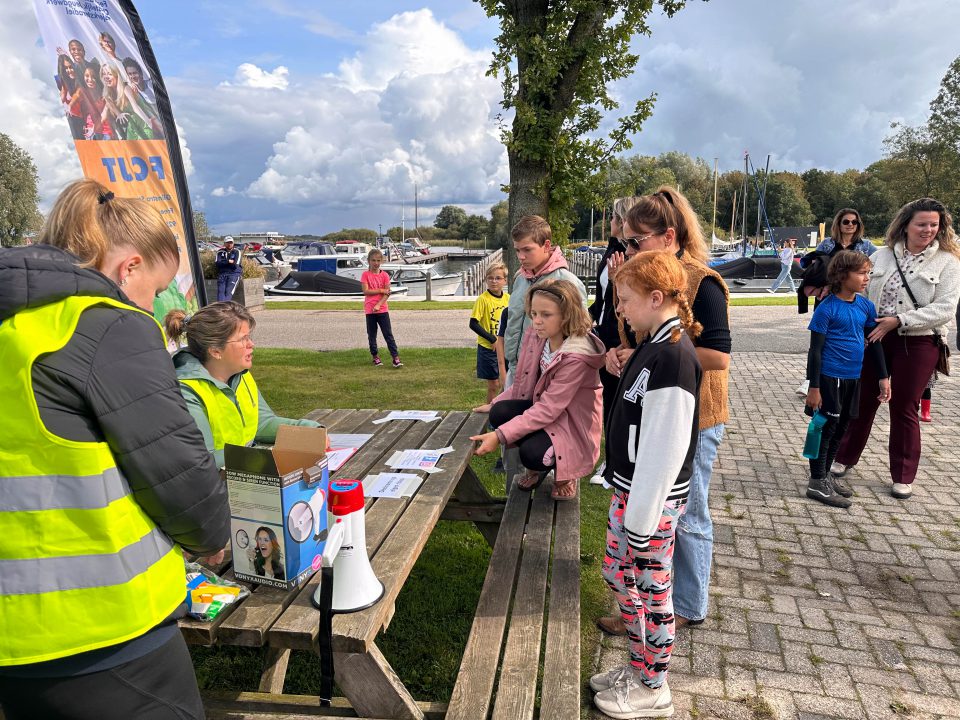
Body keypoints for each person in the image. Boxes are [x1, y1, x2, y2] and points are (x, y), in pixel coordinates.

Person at [0, 178, 229, 720]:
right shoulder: (105, 325)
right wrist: (213, 538)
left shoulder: (18, 326)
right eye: (155, 290)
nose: (154, 308)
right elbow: (174, 465)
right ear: (128, 268)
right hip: (100, 628)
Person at [603, 187, 731, 630]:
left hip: (696, 415)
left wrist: (662, 355)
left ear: (668, 236)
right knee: (656, 514)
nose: (628, 249)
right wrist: (625, 356)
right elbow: (640, 342)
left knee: (688, 514)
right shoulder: (644, 283)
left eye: (635, 242)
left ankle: (684, 606)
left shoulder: (702, 282)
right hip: (655, 410)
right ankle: (641, 606)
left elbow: (718, 355)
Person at [589, 251, 703, 720]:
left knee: (654, 592)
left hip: (649, 500)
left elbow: (664, 447)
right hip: (629, 491)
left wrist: (642, 516)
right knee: (618, 574)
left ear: (657, 298)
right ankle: (638, 666)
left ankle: (653, 685)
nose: (620, 310)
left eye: (626, 300)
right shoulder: (654, 345)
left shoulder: (672, 355)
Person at [832, 198, 960, 499]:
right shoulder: (882, 255)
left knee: (903, 406)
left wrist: (900, 319)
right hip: (876, 336)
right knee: (862, 400)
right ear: (905, 225)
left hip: (918, 341)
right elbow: (861, 288)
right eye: (921, 224)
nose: (928, 230)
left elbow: (945, 308)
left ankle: (903, 474)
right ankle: (844, 456)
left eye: (934, 225)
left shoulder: (947, 262)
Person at [470, 279, 604, 500]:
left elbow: (549, 409)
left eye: (545, 314)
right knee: (499, 412)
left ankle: (564, 475)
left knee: (531, 454)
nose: (537, 321)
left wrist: (499, 436)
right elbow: (524, 382)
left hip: (571, 423)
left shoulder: (576, 356)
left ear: (567, 315)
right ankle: (543, 457)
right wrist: (495, 402)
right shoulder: (539, 336)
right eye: (533, 314)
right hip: (548, 409)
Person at [165, 302, 323, 468]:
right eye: (242, 339)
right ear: (215, 351)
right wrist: (263, 457)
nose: (251, 344)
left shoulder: (241, 376)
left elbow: (262, 423)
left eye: (249, 337)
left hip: (245, 474)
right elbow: (206, 459)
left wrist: (311, 430)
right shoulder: (187, 391)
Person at [501, 216, 587, 485]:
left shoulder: (566, 282)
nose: (521, 256)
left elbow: (579, 331)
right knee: (509, 419)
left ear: (546, 245)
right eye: (517, 250)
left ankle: (565, 476)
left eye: (527, 249)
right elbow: (514, 319)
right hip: (520, 366)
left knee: (555, 423)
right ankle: (526, 473)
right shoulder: (521, 280)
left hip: (551, 370)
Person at [804, 251, 890, 508]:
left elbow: (875, 345)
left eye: (868, 273)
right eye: (861, 273)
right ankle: (816, 482)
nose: (867, 278)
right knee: (826, 429)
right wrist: (814, 387)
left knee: (841, 429)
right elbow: (815, 351)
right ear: (843, 276)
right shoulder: (827, 309)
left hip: (854, 378)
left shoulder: (865, 306)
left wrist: (884, 377)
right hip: (830, 378)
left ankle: (826, 474)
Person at [589, 196, 639, 486]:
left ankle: (616, 462)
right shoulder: (613, 252)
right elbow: (603, 298)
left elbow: (624, 301)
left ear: (620, 221)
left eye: (613, 218)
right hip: (605, 331)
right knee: (608, 400)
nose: (609, 223)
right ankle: (611, 459)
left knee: (619, 400)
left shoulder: (630, 258)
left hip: (620, 335)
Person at [469, 262, 510, 404]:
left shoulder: (508, 299)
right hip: (488, 349)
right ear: (486, 279)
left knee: (507, 383)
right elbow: (473, 323)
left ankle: (501, 409)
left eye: (498, 278)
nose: (494, 281)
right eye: (490, 278)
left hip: (504, 348)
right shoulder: (483, 299)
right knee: (494, 385)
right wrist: (492, 339)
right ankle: (490, 415)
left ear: (505, 280)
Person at [362, 248, 402, 367]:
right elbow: (366, 291)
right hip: (370, 311)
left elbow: (387, 293)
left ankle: (395, 358)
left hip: (382, 309)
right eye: (373, 260)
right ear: (369, 261)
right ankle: (375, 356)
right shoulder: (365, 275)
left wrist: (379, 304)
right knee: (372, 334)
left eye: (378, 260)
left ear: (382, 261)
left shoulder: (384, 275)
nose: (376, 263)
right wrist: (380, 290)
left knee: (388, 334)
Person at [100, 62, 157, 141]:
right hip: (131, 126)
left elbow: (135, 108)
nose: (106, 77)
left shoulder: (125, 88)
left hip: (142, 123)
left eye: (109, 74)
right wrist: (119, 114)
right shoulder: (108, 95)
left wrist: (148, 122)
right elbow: (104, 116)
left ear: (116, 75)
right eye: (103, 74)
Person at [56, 53, 84, 139]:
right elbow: (62, 98)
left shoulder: (79, 78)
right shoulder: (63, 82)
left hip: (83, 118)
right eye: (66, 69)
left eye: (70, 67)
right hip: (73, 119)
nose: (69, 70)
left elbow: (77, 94)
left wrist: (70, 105)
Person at [216, 236, 243, 302]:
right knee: (220, 292)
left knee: (228, 292)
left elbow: (235, 265)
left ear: (233, 243)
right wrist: (228, 261)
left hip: (234, 274)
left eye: (231, 242)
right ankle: (221, 309)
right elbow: (217, 264)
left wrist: (223, 263)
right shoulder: (220, 252)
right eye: (227, 242)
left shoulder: (237, 252)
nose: (229, 244)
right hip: (222, 274)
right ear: (224, 243)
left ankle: (224, 309)